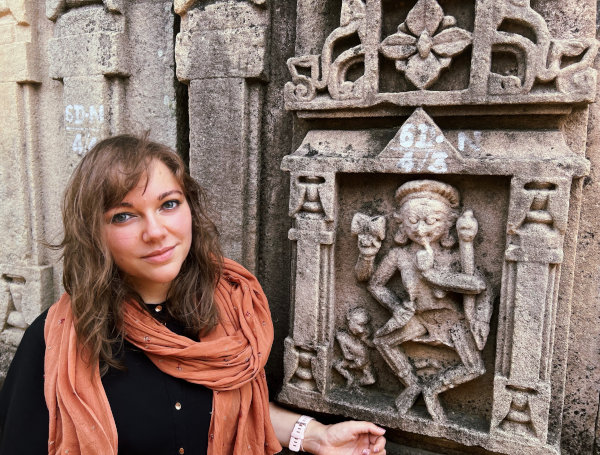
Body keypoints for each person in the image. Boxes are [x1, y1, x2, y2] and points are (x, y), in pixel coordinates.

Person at [0, 134, 387, 455]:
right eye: (123, 215)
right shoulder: (57, 342)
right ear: (93, 233)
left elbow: (238, 409)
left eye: (168, 204)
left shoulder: (230, 309)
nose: (155, 231)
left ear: (190, 208)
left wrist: (316, 436)